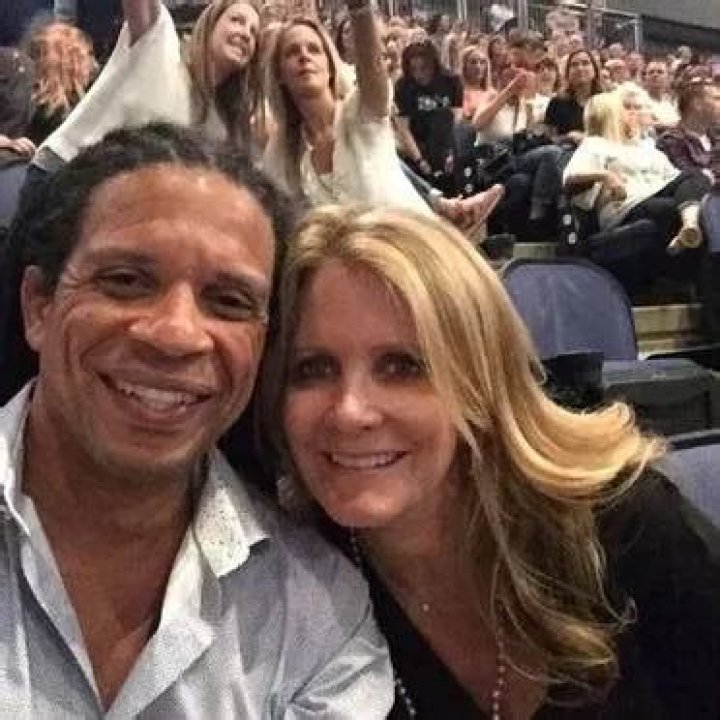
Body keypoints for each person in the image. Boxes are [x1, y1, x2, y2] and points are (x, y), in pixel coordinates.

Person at [262, 203, 720, 719]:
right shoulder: (292, 590)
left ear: (480, 380)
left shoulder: (626, 527)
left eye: (402, 366)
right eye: (313, 369)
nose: (350, 411)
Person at [0, 122, 394, 717]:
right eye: (126, 281)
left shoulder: (322, 618)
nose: (177, 335)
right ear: (38, 306)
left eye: (229, 301)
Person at [32, 0, 265, 178]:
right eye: (237, 20)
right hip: (64, 171)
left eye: (254, 32)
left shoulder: (221, 123)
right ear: (209, 25)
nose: (246, 33)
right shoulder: (159, 41)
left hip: (112, 202)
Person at [565, 90, 711, 257]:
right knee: (672, 208)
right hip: (628, 206)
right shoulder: (596, 144)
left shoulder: (646, 147)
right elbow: (570, 176)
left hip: (657, 192)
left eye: (636, 108)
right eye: (627, 109)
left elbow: (678, 180)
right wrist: (607, 176)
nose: (633, 113)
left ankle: (689, 225)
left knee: (696, 178)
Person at [394, 39, 463, 194]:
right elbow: (403, 129)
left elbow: (456, 119)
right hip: (419, 145)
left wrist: (452, 151)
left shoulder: (451, 81)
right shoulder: (403, 86)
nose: (419, 75)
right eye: (414, 69)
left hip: (446, 142)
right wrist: (419, 160)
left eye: (424, 68)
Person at [26, 21, 97, 146]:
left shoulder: (28, 101)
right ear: (71, 61)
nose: (93, 64)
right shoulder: (65, 113)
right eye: (88, 55)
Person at [658, 75, 720, 183]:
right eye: (717, 99)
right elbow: (692, 182)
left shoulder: (715, 135)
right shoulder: (671, 141)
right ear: (697, 104)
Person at [545, 48, 603, 145]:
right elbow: (549, 139)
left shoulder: (607, 101)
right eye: (574, 65)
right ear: (568, 72)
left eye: (585, 63)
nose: (580, 68)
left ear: (595, 70)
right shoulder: (558, 102)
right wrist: (568, 137)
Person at [643, 58, 679, 128]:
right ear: (645, 77)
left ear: (668, 78)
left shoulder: (672, 102)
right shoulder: (638, 100)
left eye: (660, 72)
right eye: (651, 72)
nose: (655, 75)